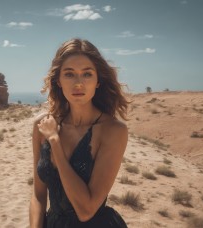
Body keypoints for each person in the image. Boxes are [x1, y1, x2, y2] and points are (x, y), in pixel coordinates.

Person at [29, 38, 129, 228]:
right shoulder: (41, 125)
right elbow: (38, 194)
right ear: (58, 80)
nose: (78, 83)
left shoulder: (113, 131)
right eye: (69, 74)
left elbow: (86, 210)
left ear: (98, 80)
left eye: (87, 74)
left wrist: (55, 142)